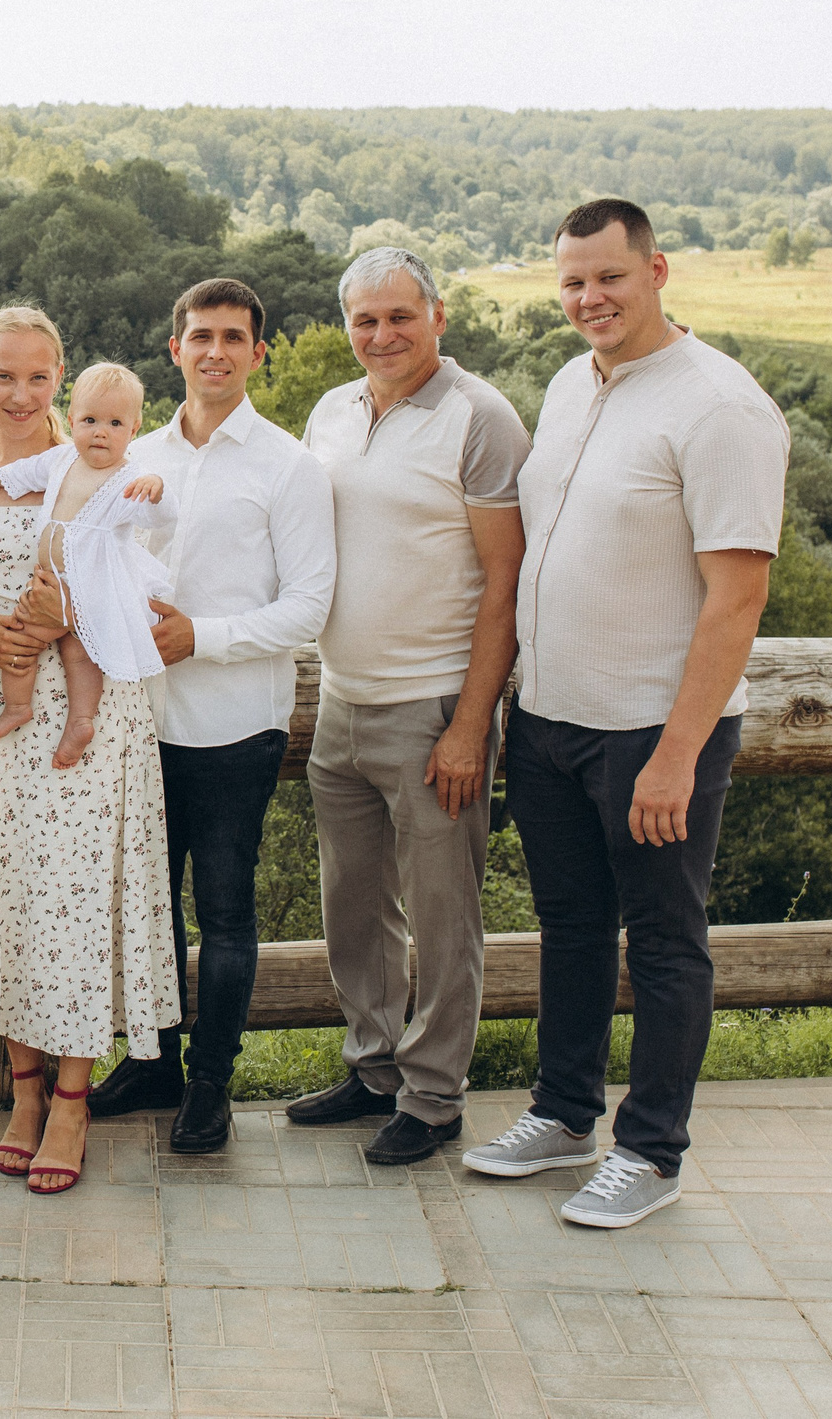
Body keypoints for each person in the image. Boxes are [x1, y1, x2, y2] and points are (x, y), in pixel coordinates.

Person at [462, 199, 785, 1229]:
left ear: (656, 270)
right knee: (567, 928)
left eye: (607, 277)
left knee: (663, 941)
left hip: (655, 728)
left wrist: (676, 753)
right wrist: (518, 705)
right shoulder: (570, 382)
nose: (588, 298)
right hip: (552, 716)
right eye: (570, 282)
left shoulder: (719, 408)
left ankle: (651, 1153)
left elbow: (736, 599)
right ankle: (563, 1118)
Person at [85, 278, 335, 1155]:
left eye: (235, 336)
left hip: (234, 724)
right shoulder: (133, 454)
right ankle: (152, 1060)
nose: (216, 350)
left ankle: (211, 1086)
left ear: (258, 352)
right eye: (201, 335)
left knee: (225, 909)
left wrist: (206, 637)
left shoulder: (289, 466)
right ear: (176, 348)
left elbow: (310, 606)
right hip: (139, 723)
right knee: (149, 906)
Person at [291, 248, 529, 1165]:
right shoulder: (332, 410)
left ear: (438, 315)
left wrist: (471, 725)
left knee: (441, 914)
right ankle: (374, 1066)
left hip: (434, 708)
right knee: (354, 906)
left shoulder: (481, 417)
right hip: (342, 702)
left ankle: (433, 1099)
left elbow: (505, 583)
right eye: (364, 320)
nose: (381, 336)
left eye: (399, 316)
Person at [0, 305, 182, 1195]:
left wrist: (62, 617)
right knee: (7, 896)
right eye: (3, 374)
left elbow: (140, 583)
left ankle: (74, 1098)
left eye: (38, 377)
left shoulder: (103, 462)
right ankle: (25, 1089)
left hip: (88, 713)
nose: (20, 392)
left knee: (77, 900)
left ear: (62, 379)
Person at [0, 361, 175, 770]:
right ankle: (81, 721)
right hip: (56, 582)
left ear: (134, 430)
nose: (101, 432)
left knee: (21, 638)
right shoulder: (62, 459)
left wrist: (156, 491)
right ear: (73, 420)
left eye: (115, 423)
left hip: (89, 587)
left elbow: (159, 517)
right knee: (78, 653)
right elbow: (27, 471)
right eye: (91, 420)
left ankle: (18, 704)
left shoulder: (129, 478)